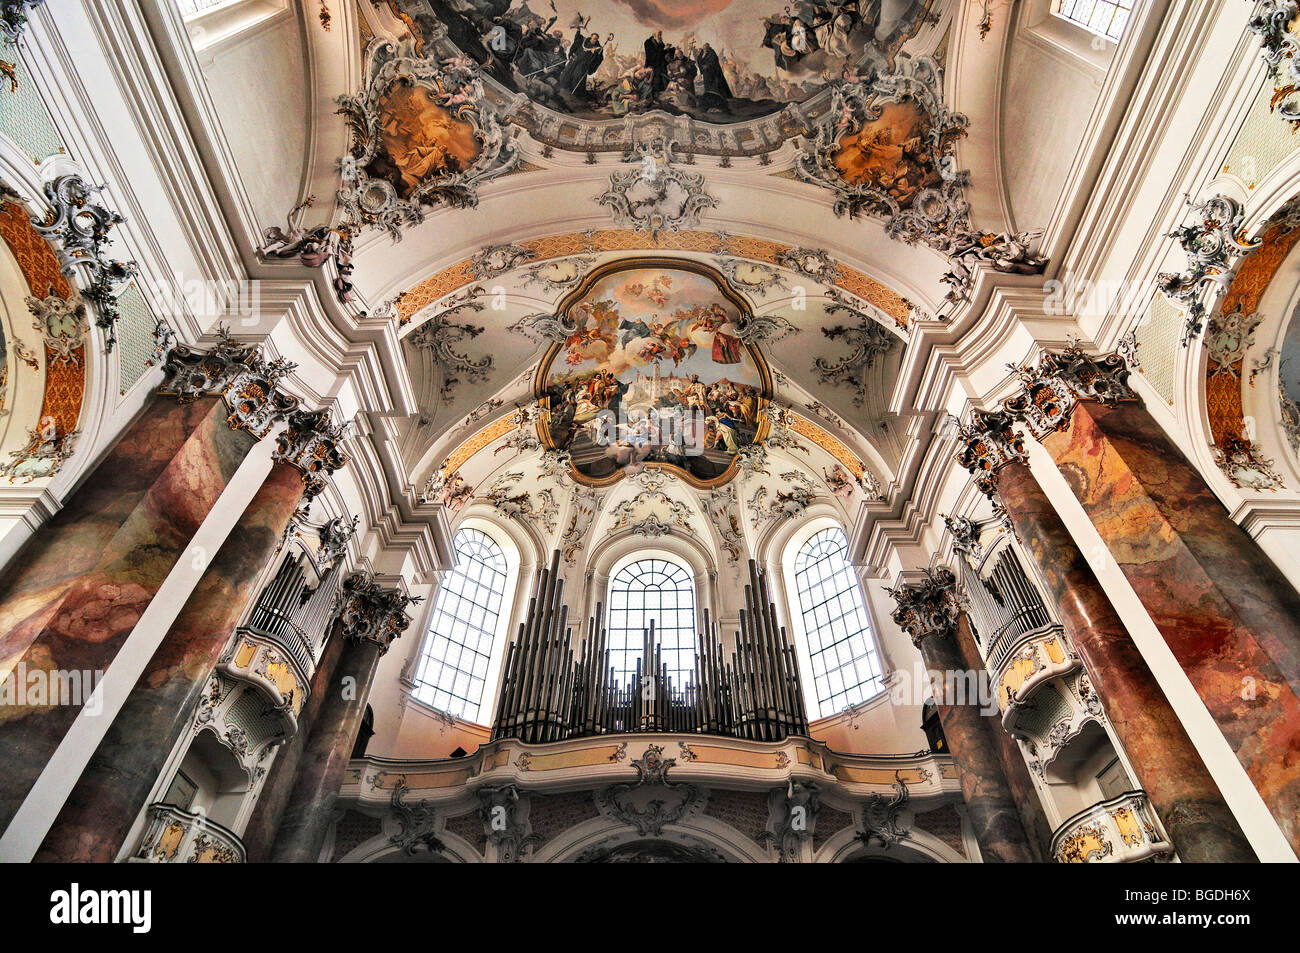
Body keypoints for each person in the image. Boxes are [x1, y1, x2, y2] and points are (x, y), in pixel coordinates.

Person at [644, 30, 670, 100]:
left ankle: (660, 97)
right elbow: (652, 55)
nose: (660, 36)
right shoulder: (648, 42)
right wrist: (664, 50)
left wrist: (667, 49)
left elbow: (663, 55)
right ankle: (653, 98)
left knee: (663, 82)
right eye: (659, 34)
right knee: (655, 82)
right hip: (652, 66)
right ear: (654, 35)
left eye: (661, 34)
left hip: (660, 66)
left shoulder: (660, 42)